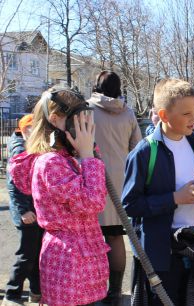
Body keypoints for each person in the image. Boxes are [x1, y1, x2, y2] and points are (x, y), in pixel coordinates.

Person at [8, 86, 110, 306]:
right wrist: (88, 157)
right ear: (55, 120)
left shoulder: (66, 158)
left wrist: (86, 155)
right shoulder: (51, 163)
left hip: (83, 259)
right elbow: (93, 202)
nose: (85, 129)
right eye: (78, 122)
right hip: (69, 263)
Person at [121, 78, 194, 306]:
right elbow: (130, 205)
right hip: (162, 255)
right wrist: (175, 198)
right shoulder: (144, 152)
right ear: (164, 115)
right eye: (186, 114)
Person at [87, 70, 142, 305]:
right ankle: (116, 291)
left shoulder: (86, 110)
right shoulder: (127, 113)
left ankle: (91, 289)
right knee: (116, 238)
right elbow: (137, 147)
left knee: (90, 239)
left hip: (91, 179)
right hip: (120, 183)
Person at [2, 114, 43, 306]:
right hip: (28, 212)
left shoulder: (26, 144)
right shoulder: (20, 148)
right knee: (27, 255)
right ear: (27, 130)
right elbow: (13, 185)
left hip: (33, 210)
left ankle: (36, 291)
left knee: (35, 253)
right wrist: (23, 211)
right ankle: (12, 293)